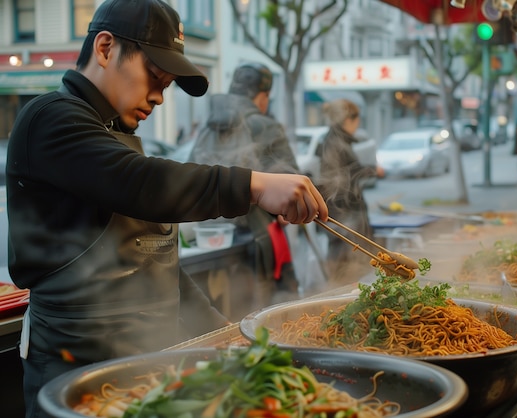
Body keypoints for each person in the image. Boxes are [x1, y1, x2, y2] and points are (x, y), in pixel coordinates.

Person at [5, 1, 327, 417]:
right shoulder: (50, 119)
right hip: (76, 371)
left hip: (149, 366)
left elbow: (154, 265)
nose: (158, 96)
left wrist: (223, 334)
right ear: (105, 48)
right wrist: (254, 184)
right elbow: (140, 183)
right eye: (154, 77)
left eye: (167, 85)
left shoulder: (121, 135)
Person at [189, 62, 300, 304]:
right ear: (262, 96)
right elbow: (292, 185)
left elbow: (191, 176)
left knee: (223, 312)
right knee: (260, 316)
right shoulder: (265, 125)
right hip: (254, 239)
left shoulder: (208, 127)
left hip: (210, 238)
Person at [317, 99, 378, 283]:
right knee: (345, 273)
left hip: (345, 216)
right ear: (348, 119)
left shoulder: (335, 139)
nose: (358, 125)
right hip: (343, 216)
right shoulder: (335, 142)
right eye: (357, 119)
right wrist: (371, 170)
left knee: (350, 271)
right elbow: (342, 178)